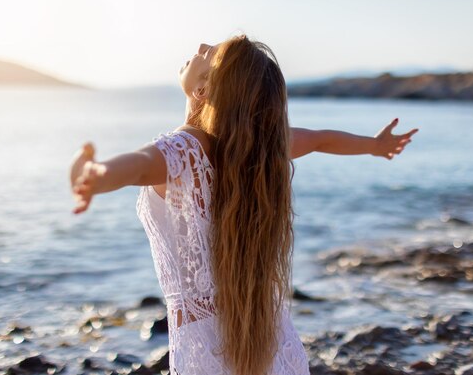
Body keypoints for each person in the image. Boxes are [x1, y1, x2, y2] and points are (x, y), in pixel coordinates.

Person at [69, 34, 419, 375]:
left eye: (210, 55)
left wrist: (99, 175)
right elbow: (320, 139)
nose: (201, 47)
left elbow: (140, 164)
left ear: (203, 89)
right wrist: (374, 146)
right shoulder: (261, 145)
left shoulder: (184, 151)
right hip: (268, 334)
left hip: (204, 349)